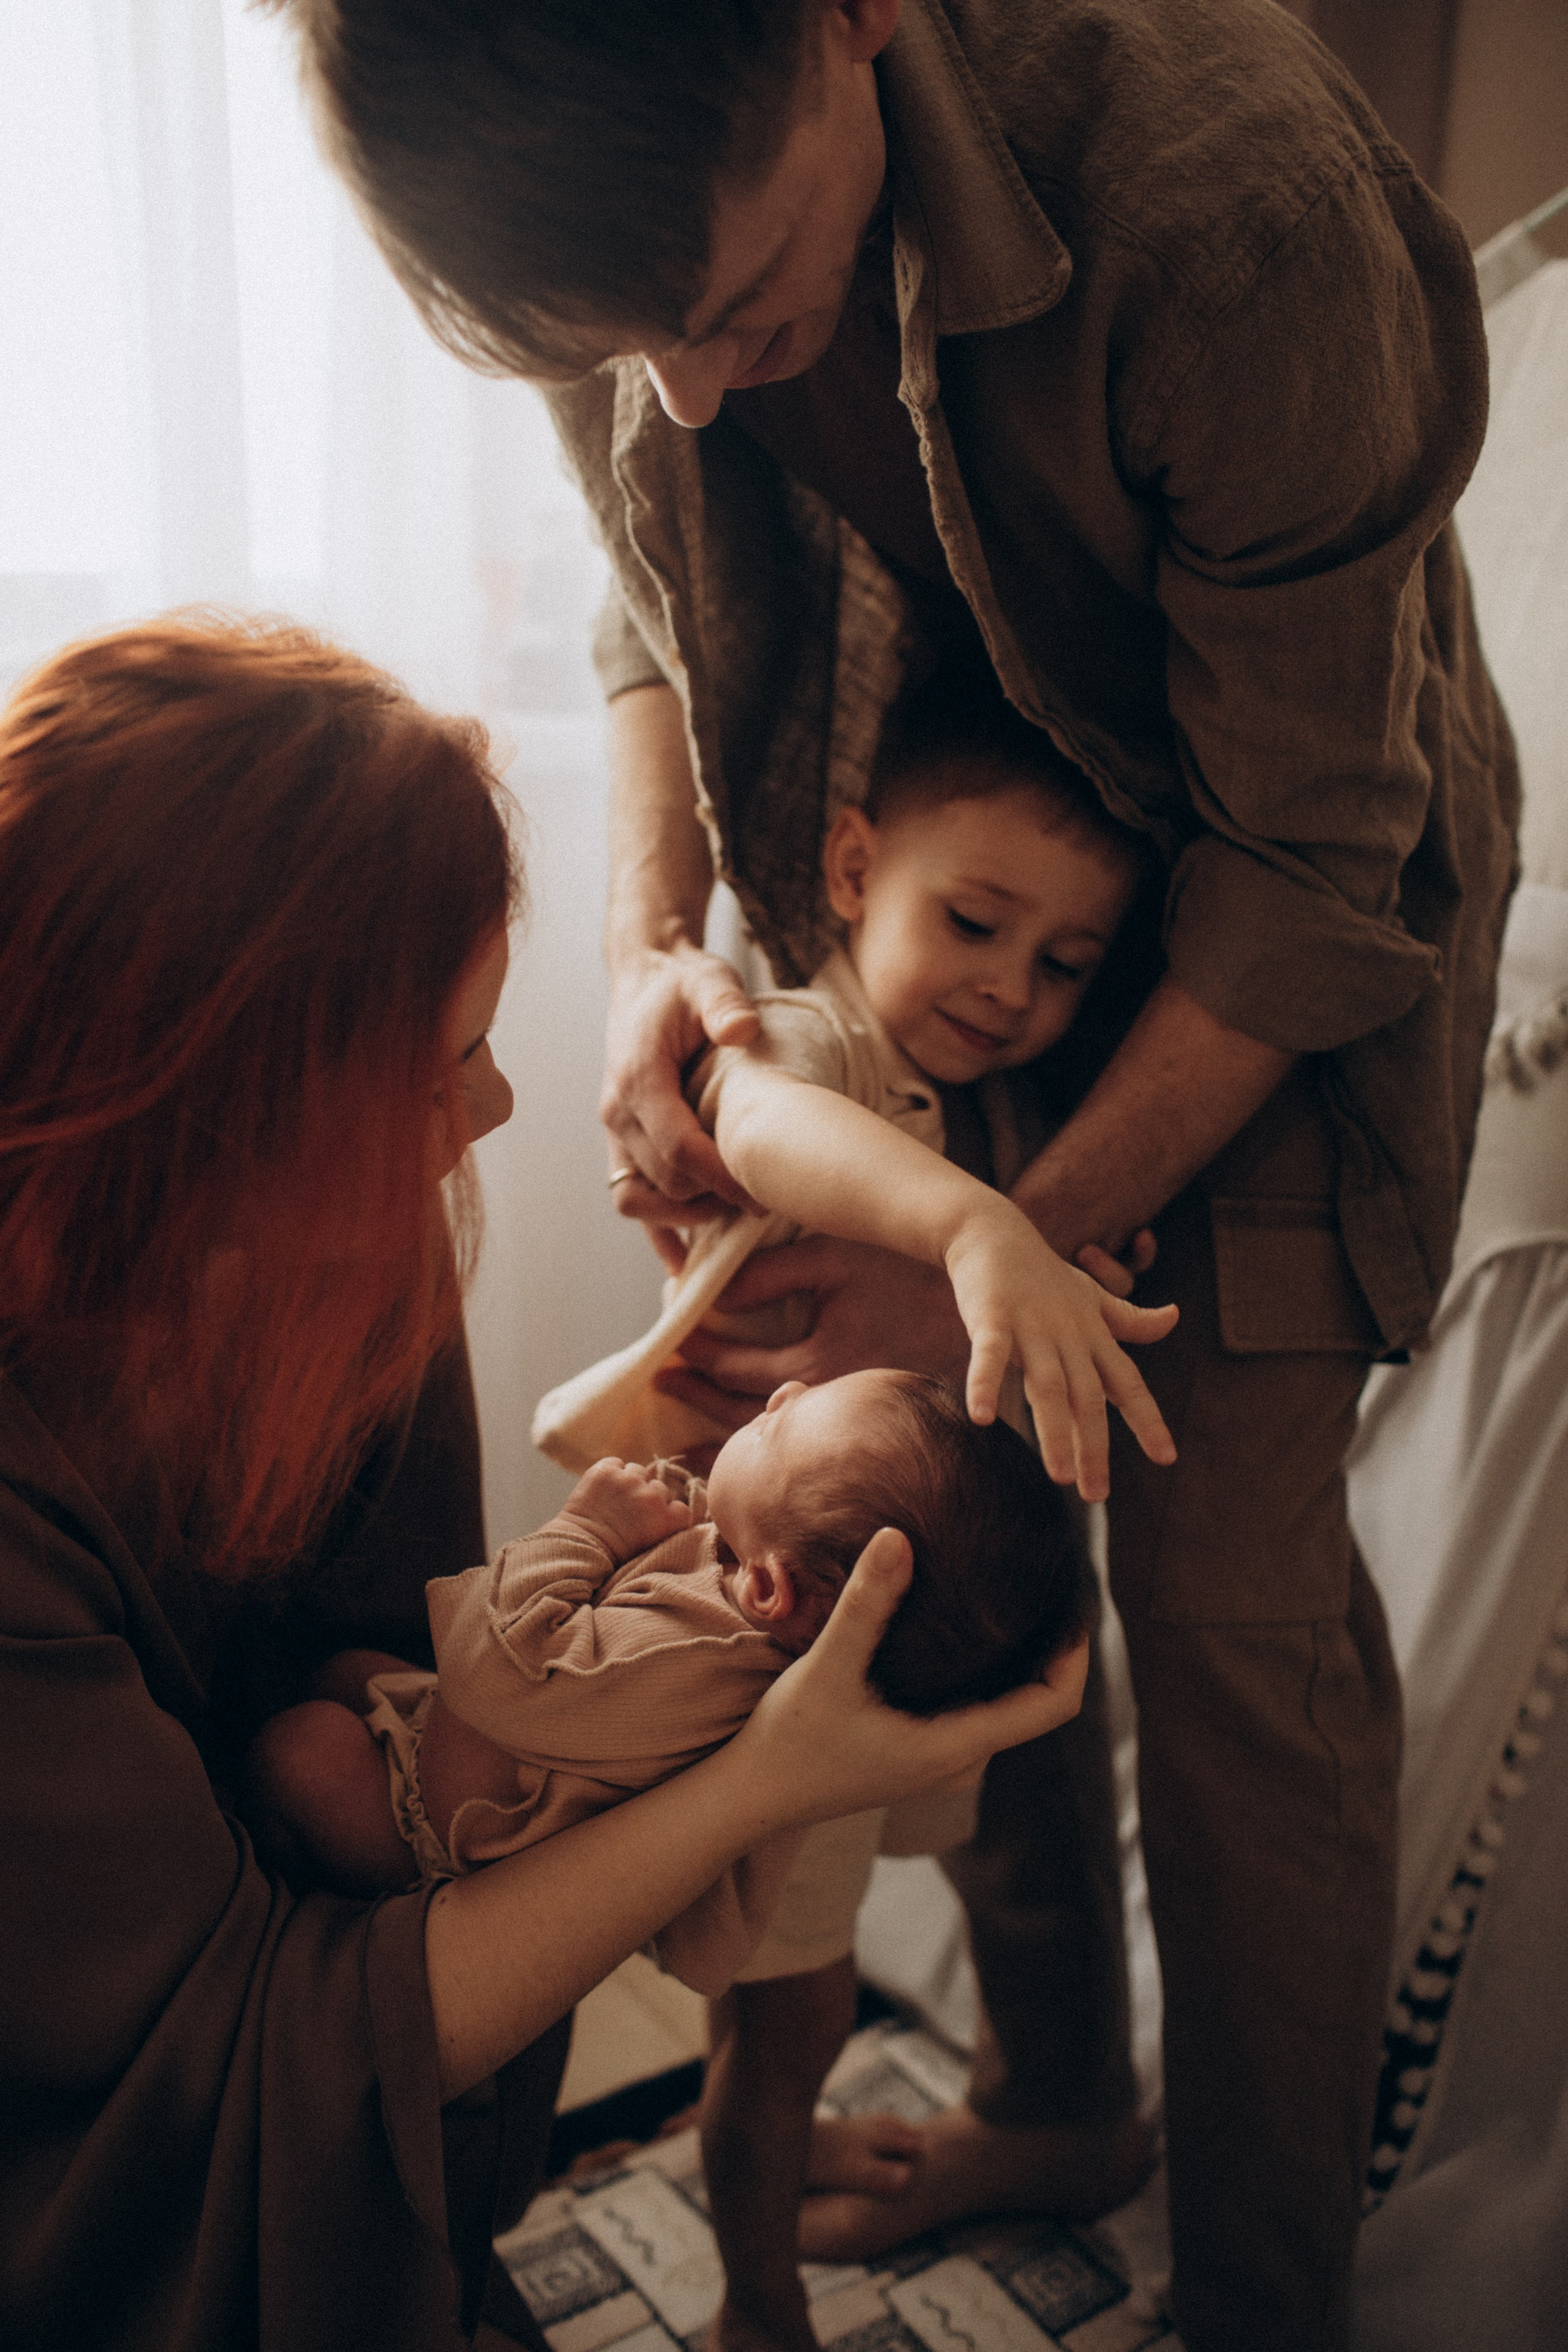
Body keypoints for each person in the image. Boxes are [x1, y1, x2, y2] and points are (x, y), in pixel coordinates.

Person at [275, 3, 1521, 2345]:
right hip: (912, 924)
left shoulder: (1241, 217)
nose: (690, 397)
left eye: (739, 310)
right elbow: (651, 607)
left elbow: (1310, 869)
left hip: (1270, 951)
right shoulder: (596, 220)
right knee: (938, 1537)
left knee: (1230, 1633)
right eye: (616, 353)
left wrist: (980, 1258)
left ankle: (1271, 2300)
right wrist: (653, 946)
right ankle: (1062, 2105)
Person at [0, 615, 1089, 2352]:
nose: (503, 1105)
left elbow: (426, 1729)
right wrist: (774, 1775)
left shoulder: (345, 1274)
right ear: (223, 1092)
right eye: (450, 1057)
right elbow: (235, 2047)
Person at [533, 664, 1172, 1494]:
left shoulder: (1011, 1111)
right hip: (728, 1507)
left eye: (1063, 965)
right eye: (973, 923)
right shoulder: (803, 1031)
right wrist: (974, 1226)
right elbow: (762, 1126)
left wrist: (1075, 1281)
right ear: (855, 872)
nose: (1013, 990)